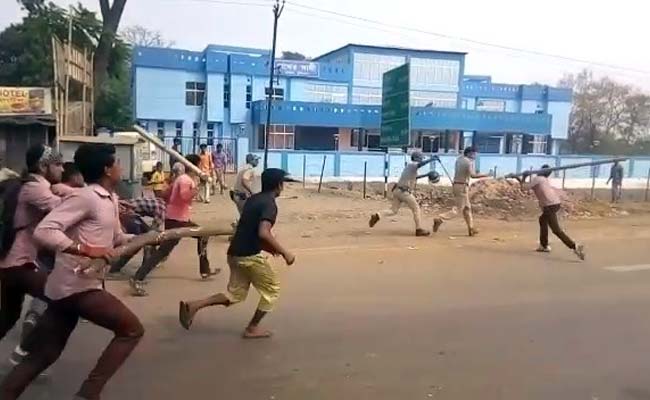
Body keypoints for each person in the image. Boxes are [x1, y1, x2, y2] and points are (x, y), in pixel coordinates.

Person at [0, 143, 145, 400]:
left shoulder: (108, 198)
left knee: (44, 354)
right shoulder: (86, 197)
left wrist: (145, 237)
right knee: (131, 329)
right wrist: (85, 248)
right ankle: (88, 393)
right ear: (107, 169)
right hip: (76, 285)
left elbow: (115, 238)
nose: (121, 167)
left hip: (68, 288)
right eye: (117, 163)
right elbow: (45, 231)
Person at [179, 168, 296, 338]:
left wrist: (269, 248)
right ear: (279, 185)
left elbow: (249, 230)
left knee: (235, 295)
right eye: (282, 183)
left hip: (234, 253)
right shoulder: (270, 204)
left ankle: (194, 305)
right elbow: (263, 232)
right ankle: (252, 328)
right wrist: (285, 252)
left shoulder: (253, 200)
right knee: (272, 291)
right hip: (249, 257)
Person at [0, 145, 63, 370]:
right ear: (43, 166)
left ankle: (25, 352)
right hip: (19, 264)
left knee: (8, 318)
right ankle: (27, 353)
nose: (62, 169)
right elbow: (64, 209)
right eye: (57, 164)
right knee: (60, 299)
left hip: (13, 263)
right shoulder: (36, 187)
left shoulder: (35, 185)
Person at [129, 154, 219, 296]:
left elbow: (165, 194)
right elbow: (184, 196)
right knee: (164, 250)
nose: (201, 168)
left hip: (177, 218)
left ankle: (205, 269)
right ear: (194, 166)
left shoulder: (182, 179)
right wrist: (199, 187)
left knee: (202, 235)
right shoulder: (185, 180)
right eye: (199, 165)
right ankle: (137, 277)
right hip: (177, 220)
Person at [521, 164, 586, 260]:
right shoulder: (544, 179)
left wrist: (523, 177)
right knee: (542, 220)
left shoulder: (538, 179)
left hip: (549, 206)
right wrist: (521, 178)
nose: (539, 171)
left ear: (543, 172)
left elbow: (524, 188)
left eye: (541, 170)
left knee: (556, 230)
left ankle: (574, 246)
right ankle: (544, 245)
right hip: (554, 204)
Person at [368, 151, 435, 237]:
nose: (422, 159)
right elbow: (420, 164)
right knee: (416, 209)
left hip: (397, 191)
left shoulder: (410, 168)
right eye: (421, 158)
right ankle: (418, 229)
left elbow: (414, 177)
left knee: (393, 210)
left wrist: (426, 175)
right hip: (404, 192)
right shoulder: (413, 165)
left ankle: (377, 215)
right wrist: (432, 159)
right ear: (418, 158)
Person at [433, 146, 489, 237]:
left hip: (457, 185)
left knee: (467, 208)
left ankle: (471, 229)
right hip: (462, 186)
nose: (475, 156)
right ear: (470, 153)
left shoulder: (459, 159)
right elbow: (472, 175)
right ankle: (440, 218)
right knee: (459, 209)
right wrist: (486, 175)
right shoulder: (468, 162)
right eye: (474, 154)